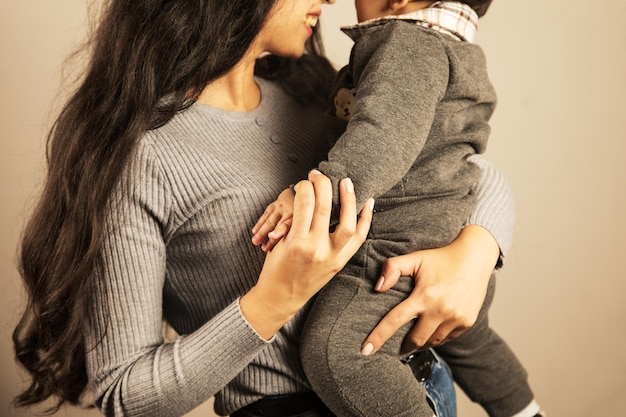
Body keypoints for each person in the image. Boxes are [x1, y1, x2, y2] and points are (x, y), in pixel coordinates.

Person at [13, 1, 516, 416]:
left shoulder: (315, 90)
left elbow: (462, 169)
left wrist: (475, 253)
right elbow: (125, 392)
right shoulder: (142, 156)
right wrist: (275, 299)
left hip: (427, 388)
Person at [252, 1, 544, 417]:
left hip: (393, 256)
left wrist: (311, 198)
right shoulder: (452, 48)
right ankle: (525, 410)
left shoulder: (405, 44)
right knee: (474, 343)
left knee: (337, 354)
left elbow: (382, 141)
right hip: (443, 237)